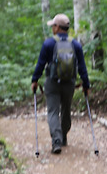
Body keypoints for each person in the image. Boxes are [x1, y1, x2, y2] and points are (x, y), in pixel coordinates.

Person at [31, 13, 90, 154]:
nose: (52, 28)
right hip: (69, 83)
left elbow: (40, 64)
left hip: (52, 82)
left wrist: (35, 80)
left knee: (53, 111)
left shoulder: (49, 43)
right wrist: (86, 85)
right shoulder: (75, 44)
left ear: (57, 27)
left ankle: (56, 141)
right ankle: (63, 136)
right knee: (66, 110)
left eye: (53, 26)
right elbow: (82, 67)